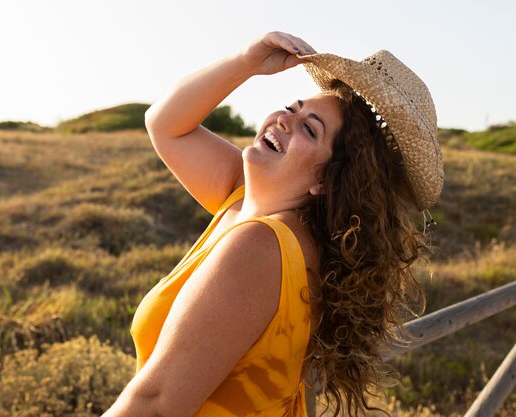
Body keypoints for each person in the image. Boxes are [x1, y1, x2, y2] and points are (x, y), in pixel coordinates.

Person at [102, 32, 442, 417]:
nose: (284, 121)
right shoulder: (246, 199)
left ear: (328, 180)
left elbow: (156, 403)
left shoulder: (262, 247)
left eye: (309, 129)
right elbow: (164, 124)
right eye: (291, 108)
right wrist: (246, 61)